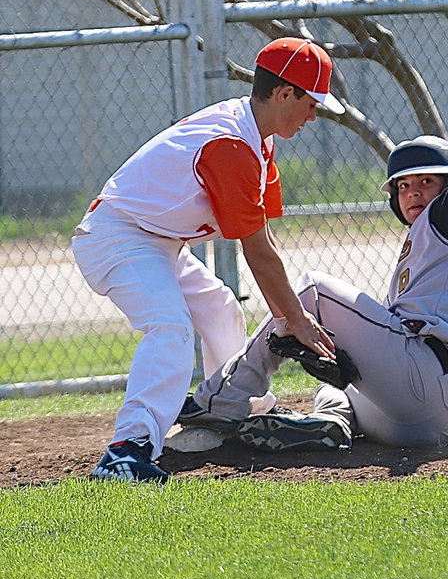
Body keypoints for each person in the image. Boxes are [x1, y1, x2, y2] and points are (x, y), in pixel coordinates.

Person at [178, 19, 448, 456]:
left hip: (423, 380)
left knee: (310, 291)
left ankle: (218, 402)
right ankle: (332, 423)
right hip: (424, 422)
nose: (413, 192)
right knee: (337, 380)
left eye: (427, 182)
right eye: (404, 186)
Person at [72, 37, 344, 482]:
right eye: (311, 104)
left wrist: (286, 316)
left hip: (157, 240)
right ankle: (127, 450)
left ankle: (236, 410)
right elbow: (257, 252)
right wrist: (294, 319)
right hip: (119, 237)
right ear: (284, 94)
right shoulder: (232, 145)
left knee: (220, 307)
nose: (313, 116)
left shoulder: (257, 139)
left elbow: (264, 239)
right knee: (170, 326)